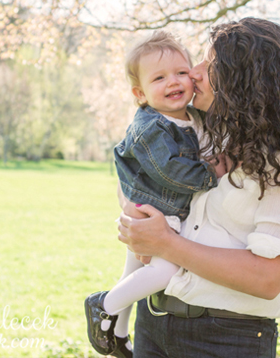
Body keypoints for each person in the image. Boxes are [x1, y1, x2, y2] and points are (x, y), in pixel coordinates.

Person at [115, 18, 280, 358]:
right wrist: (136, 218)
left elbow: (267, 278)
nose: (193, 73)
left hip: (223, 338)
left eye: (209, 65)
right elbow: (146, 176)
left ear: (242, 80)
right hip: (154, 320)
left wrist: (166, 244)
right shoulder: (209, 134)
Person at [84, 31, 220, 357]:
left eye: (181, 72)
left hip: (154, 208)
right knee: (166, 271)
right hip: (158, 212)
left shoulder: (194, 116)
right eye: (159, 78)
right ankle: (104, 305)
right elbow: (169, 171)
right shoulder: (151, 127)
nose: (173, 82)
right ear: (140, 93)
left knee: (132, 273)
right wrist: (213, 172)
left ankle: (118, 334)